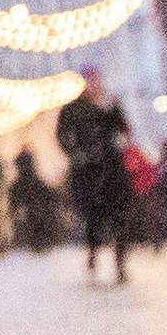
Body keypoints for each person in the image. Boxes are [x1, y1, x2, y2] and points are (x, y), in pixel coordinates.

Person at [58, 72, 138, 284]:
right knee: (93, 219)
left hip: (113, 170)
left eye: (96, 81)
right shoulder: (72, 109)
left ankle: (120, 263)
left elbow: (124, 129)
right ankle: (93, 257)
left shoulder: (109, 104)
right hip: (88, 172)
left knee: (119, 217)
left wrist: (114, 112)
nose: (93, 85)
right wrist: (77, 154)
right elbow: (63, 136)